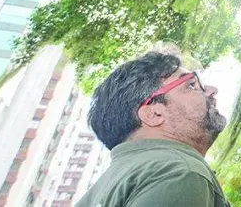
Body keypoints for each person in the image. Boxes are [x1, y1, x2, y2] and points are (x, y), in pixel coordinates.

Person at [76, 51, 231, 207]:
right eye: (191, 85)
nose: (212, 90)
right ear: (153, 113)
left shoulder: (110, 183)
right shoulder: (179, 173)